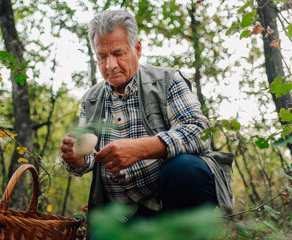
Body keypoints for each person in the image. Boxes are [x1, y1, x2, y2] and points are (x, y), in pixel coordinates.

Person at [60, 9, 234, 235]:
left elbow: (199, 131)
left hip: (169, 202)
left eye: (118, 53)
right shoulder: (91, 99)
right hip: (120, 214)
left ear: (137, 49)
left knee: (185, 168)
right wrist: (76, 158)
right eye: (102, 56)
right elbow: (87, 162)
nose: (110, 65)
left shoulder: (167, 81)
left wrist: (142, 149)